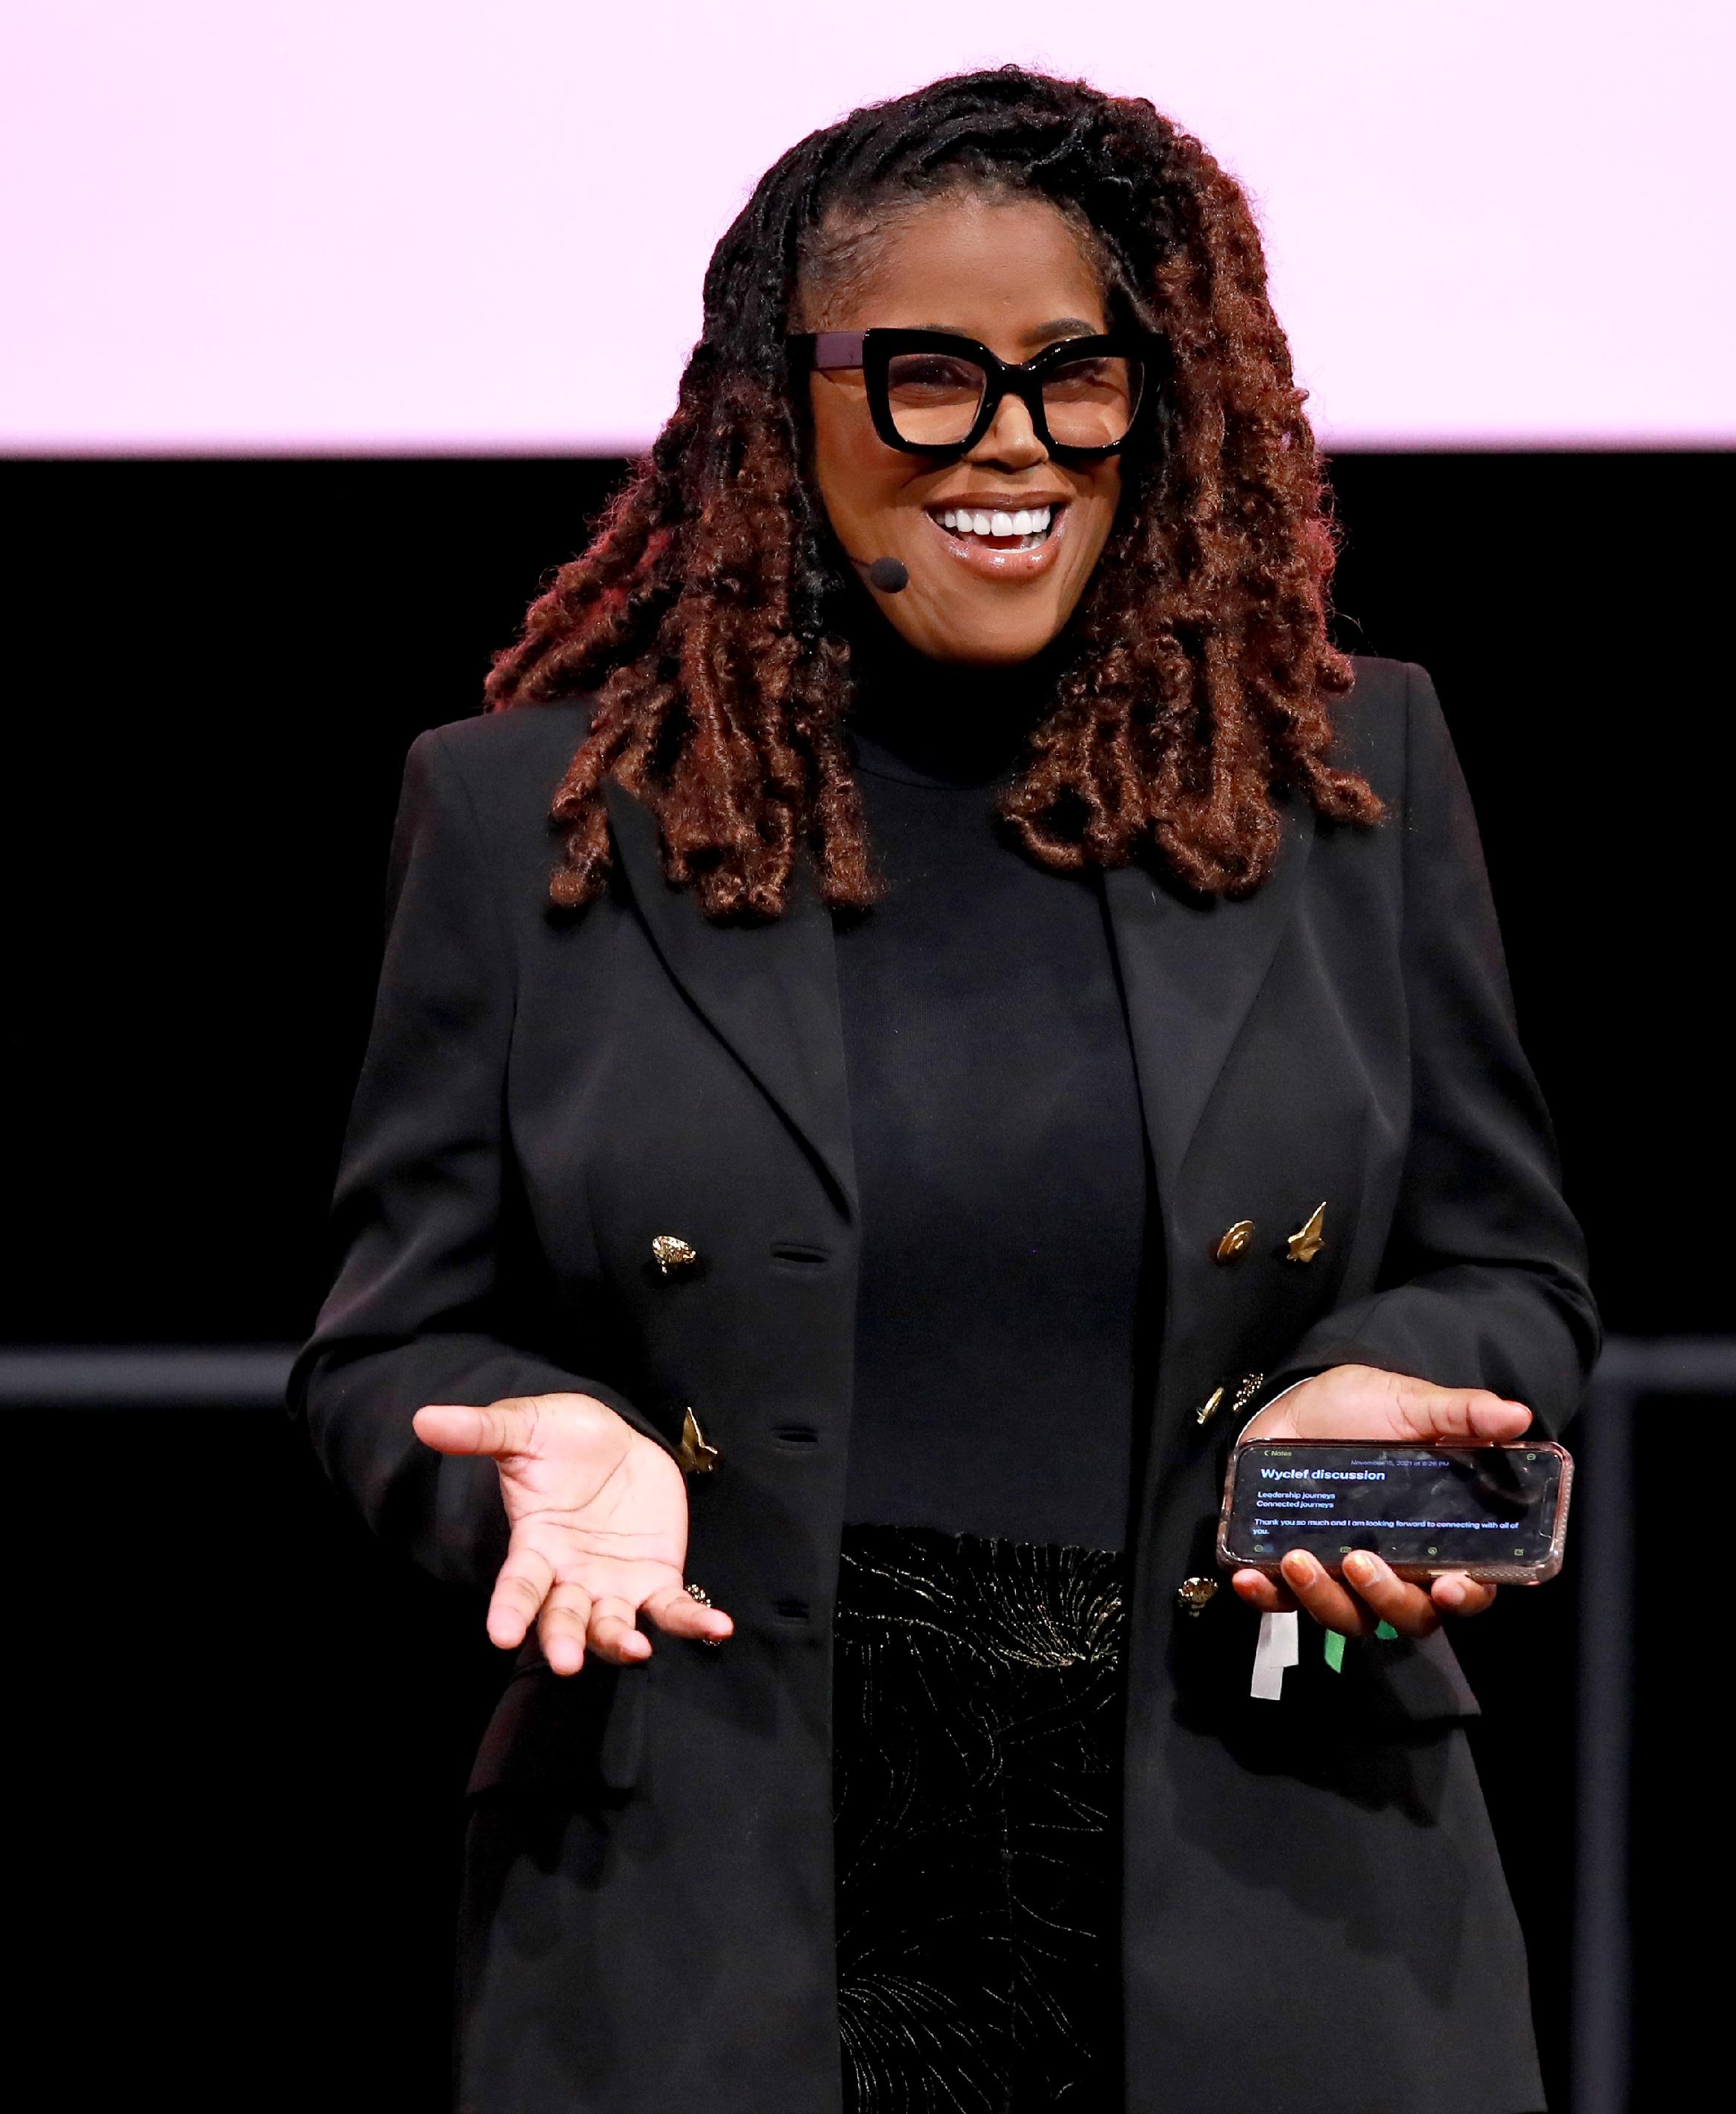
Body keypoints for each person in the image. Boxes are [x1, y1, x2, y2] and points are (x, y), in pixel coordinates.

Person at [292, 67, 1597, 2114]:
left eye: (1078, 377)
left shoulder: (1349, 774)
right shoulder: (528, 815)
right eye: (929, 377)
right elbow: (396, 1343)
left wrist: (1386, 1385)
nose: (1015, 444)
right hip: (724, 1914)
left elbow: (1509, 1268)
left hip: (1272, 1903)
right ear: (780, 404)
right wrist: (536, 1451)